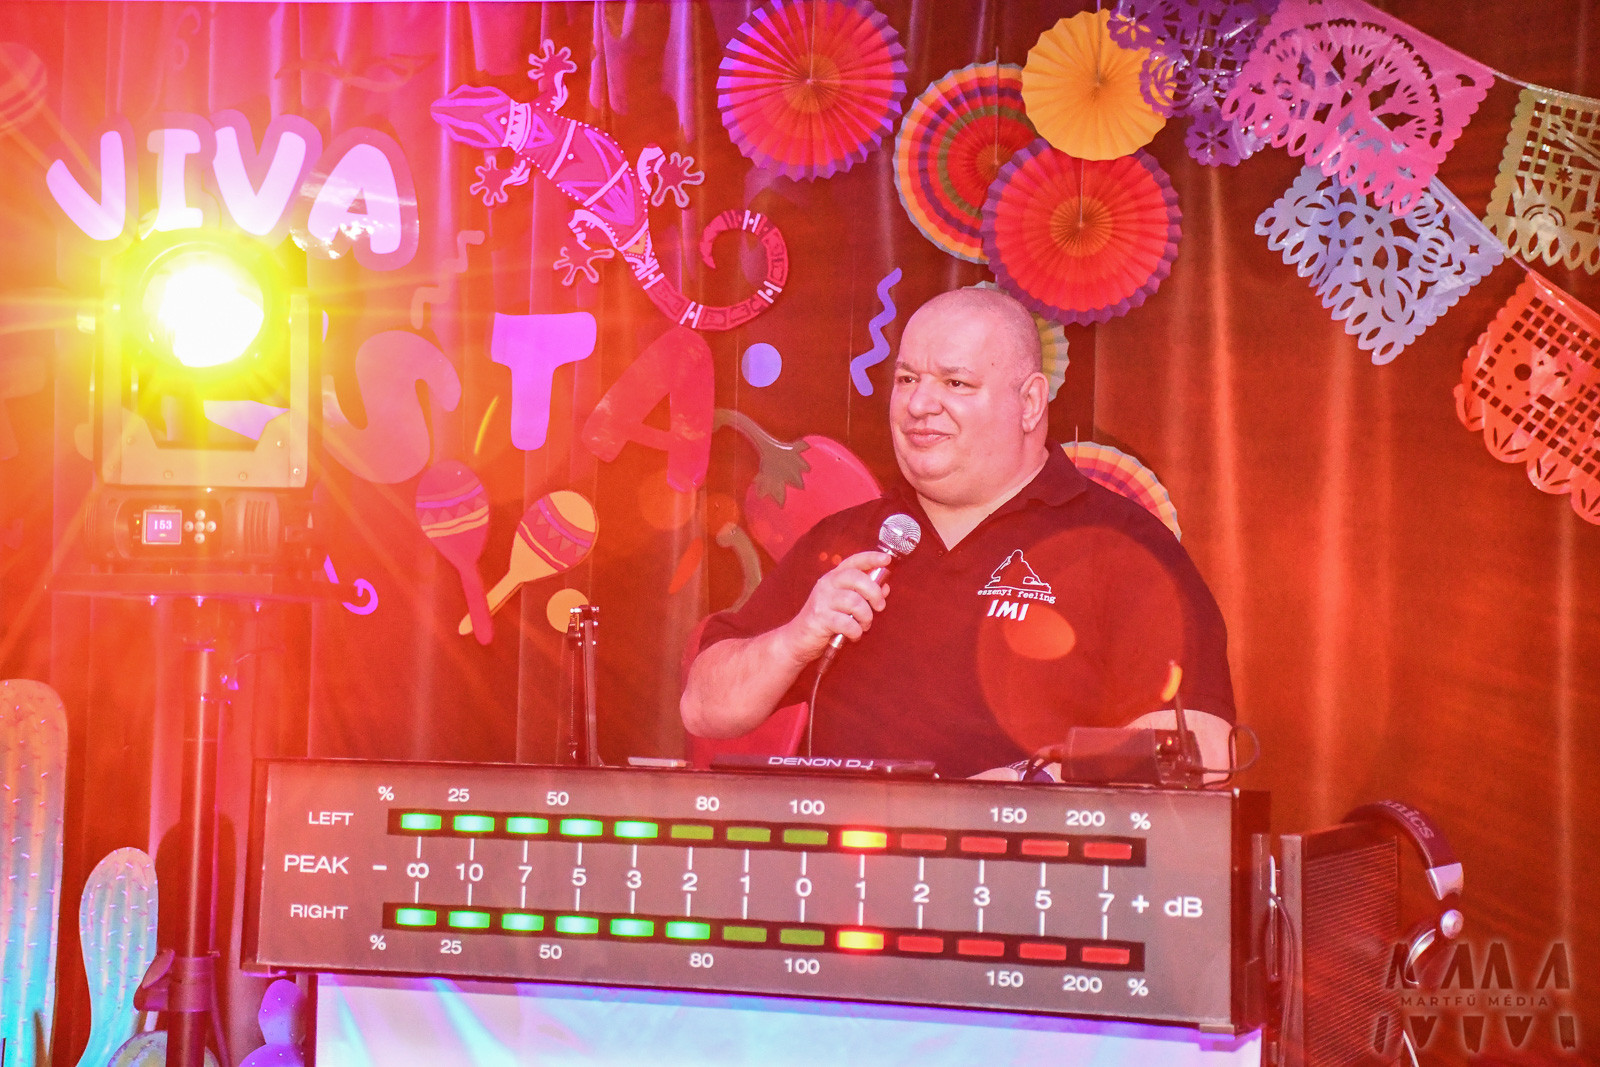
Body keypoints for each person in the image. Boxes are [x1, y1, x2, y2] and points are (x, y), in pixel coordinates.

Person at [680, 287, 1235, 779]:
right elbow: (703, 709)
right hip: (855, 863)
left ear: (1030, 403)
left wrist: (1028, 785)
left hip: (1035, 860)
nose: (920, 405)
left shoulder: (1121, 543)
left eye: (956, 382)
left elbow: (1201, 747)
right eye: (907, 380)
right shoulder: (848, 540)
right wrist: (795, 639)